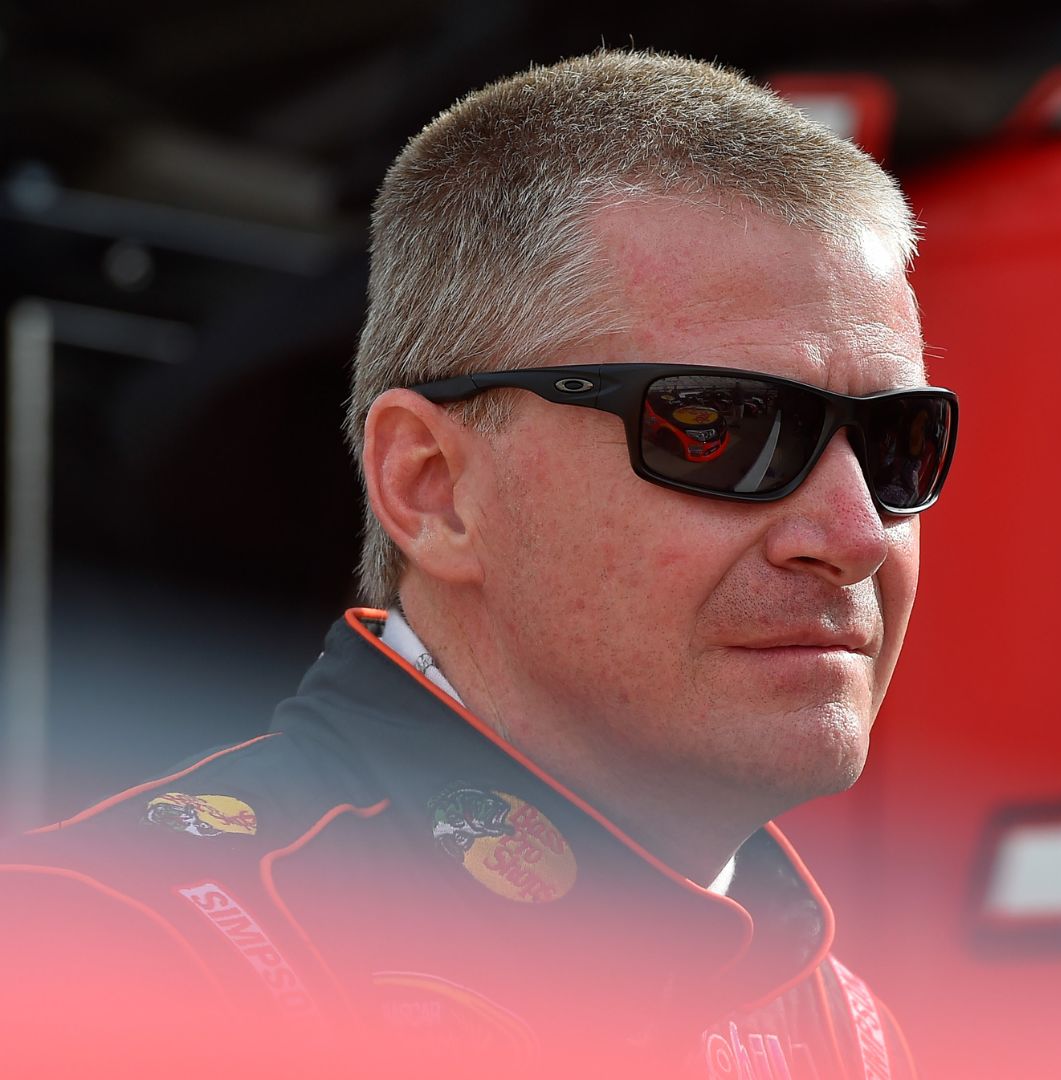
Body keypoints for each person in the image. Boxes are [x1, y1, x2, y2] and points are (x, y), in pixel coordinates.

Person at [0, 50, 956, 1076]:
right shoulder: (113, 962)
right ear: (433, 488)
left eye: (897, 444)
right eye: (720, 426)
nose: (856, 534)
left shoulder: (850, 1033)